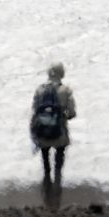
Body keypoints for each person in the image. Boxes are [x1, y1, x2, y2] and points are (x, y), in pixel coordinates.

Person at [30, 62, 77, 193]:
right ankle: (57, 180)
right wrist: (63, 117)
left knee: (45, 157)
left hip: (42, 132)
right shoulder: (66, 90)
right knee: (59, 156)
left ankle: (46, 178)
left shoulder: (39, 90)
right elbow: (72, 113)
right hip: (59, 132)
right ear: (61, 73)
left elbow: (35, 110)